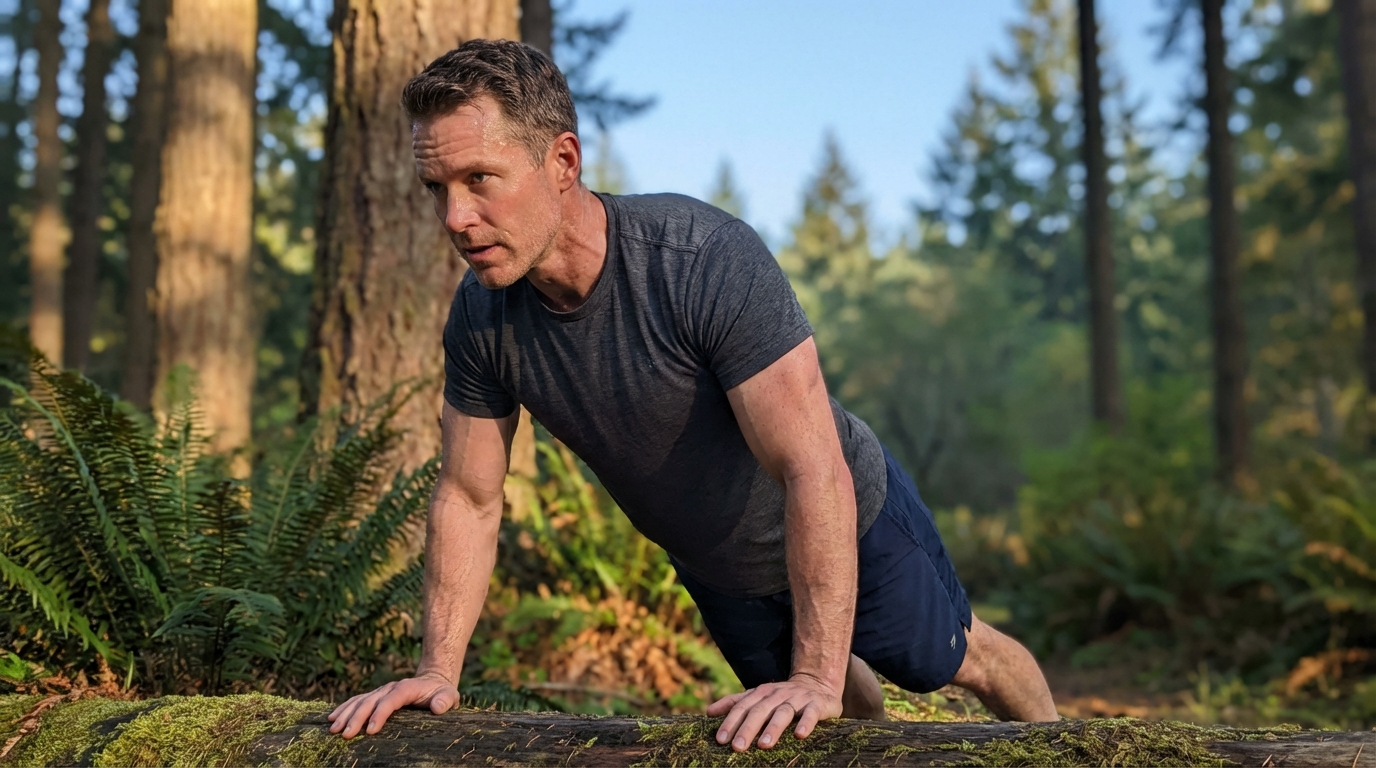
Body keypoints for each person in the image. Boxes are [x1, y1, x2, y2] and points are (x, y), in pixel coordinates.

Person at [326, 38, 1058, 753]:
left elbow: (811, 467)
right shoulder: (483, 319)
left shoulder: (700, 260)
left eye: (479, 179)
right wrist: (437, 673)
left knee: (954, 659)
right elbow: (468, 496)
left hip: (849, 521)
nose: (454, 218)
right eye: (437, 188)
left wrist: (813, 673)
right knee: (819, 725)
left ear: (563, 162)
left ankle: (1070, 746)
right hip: (721, 573)